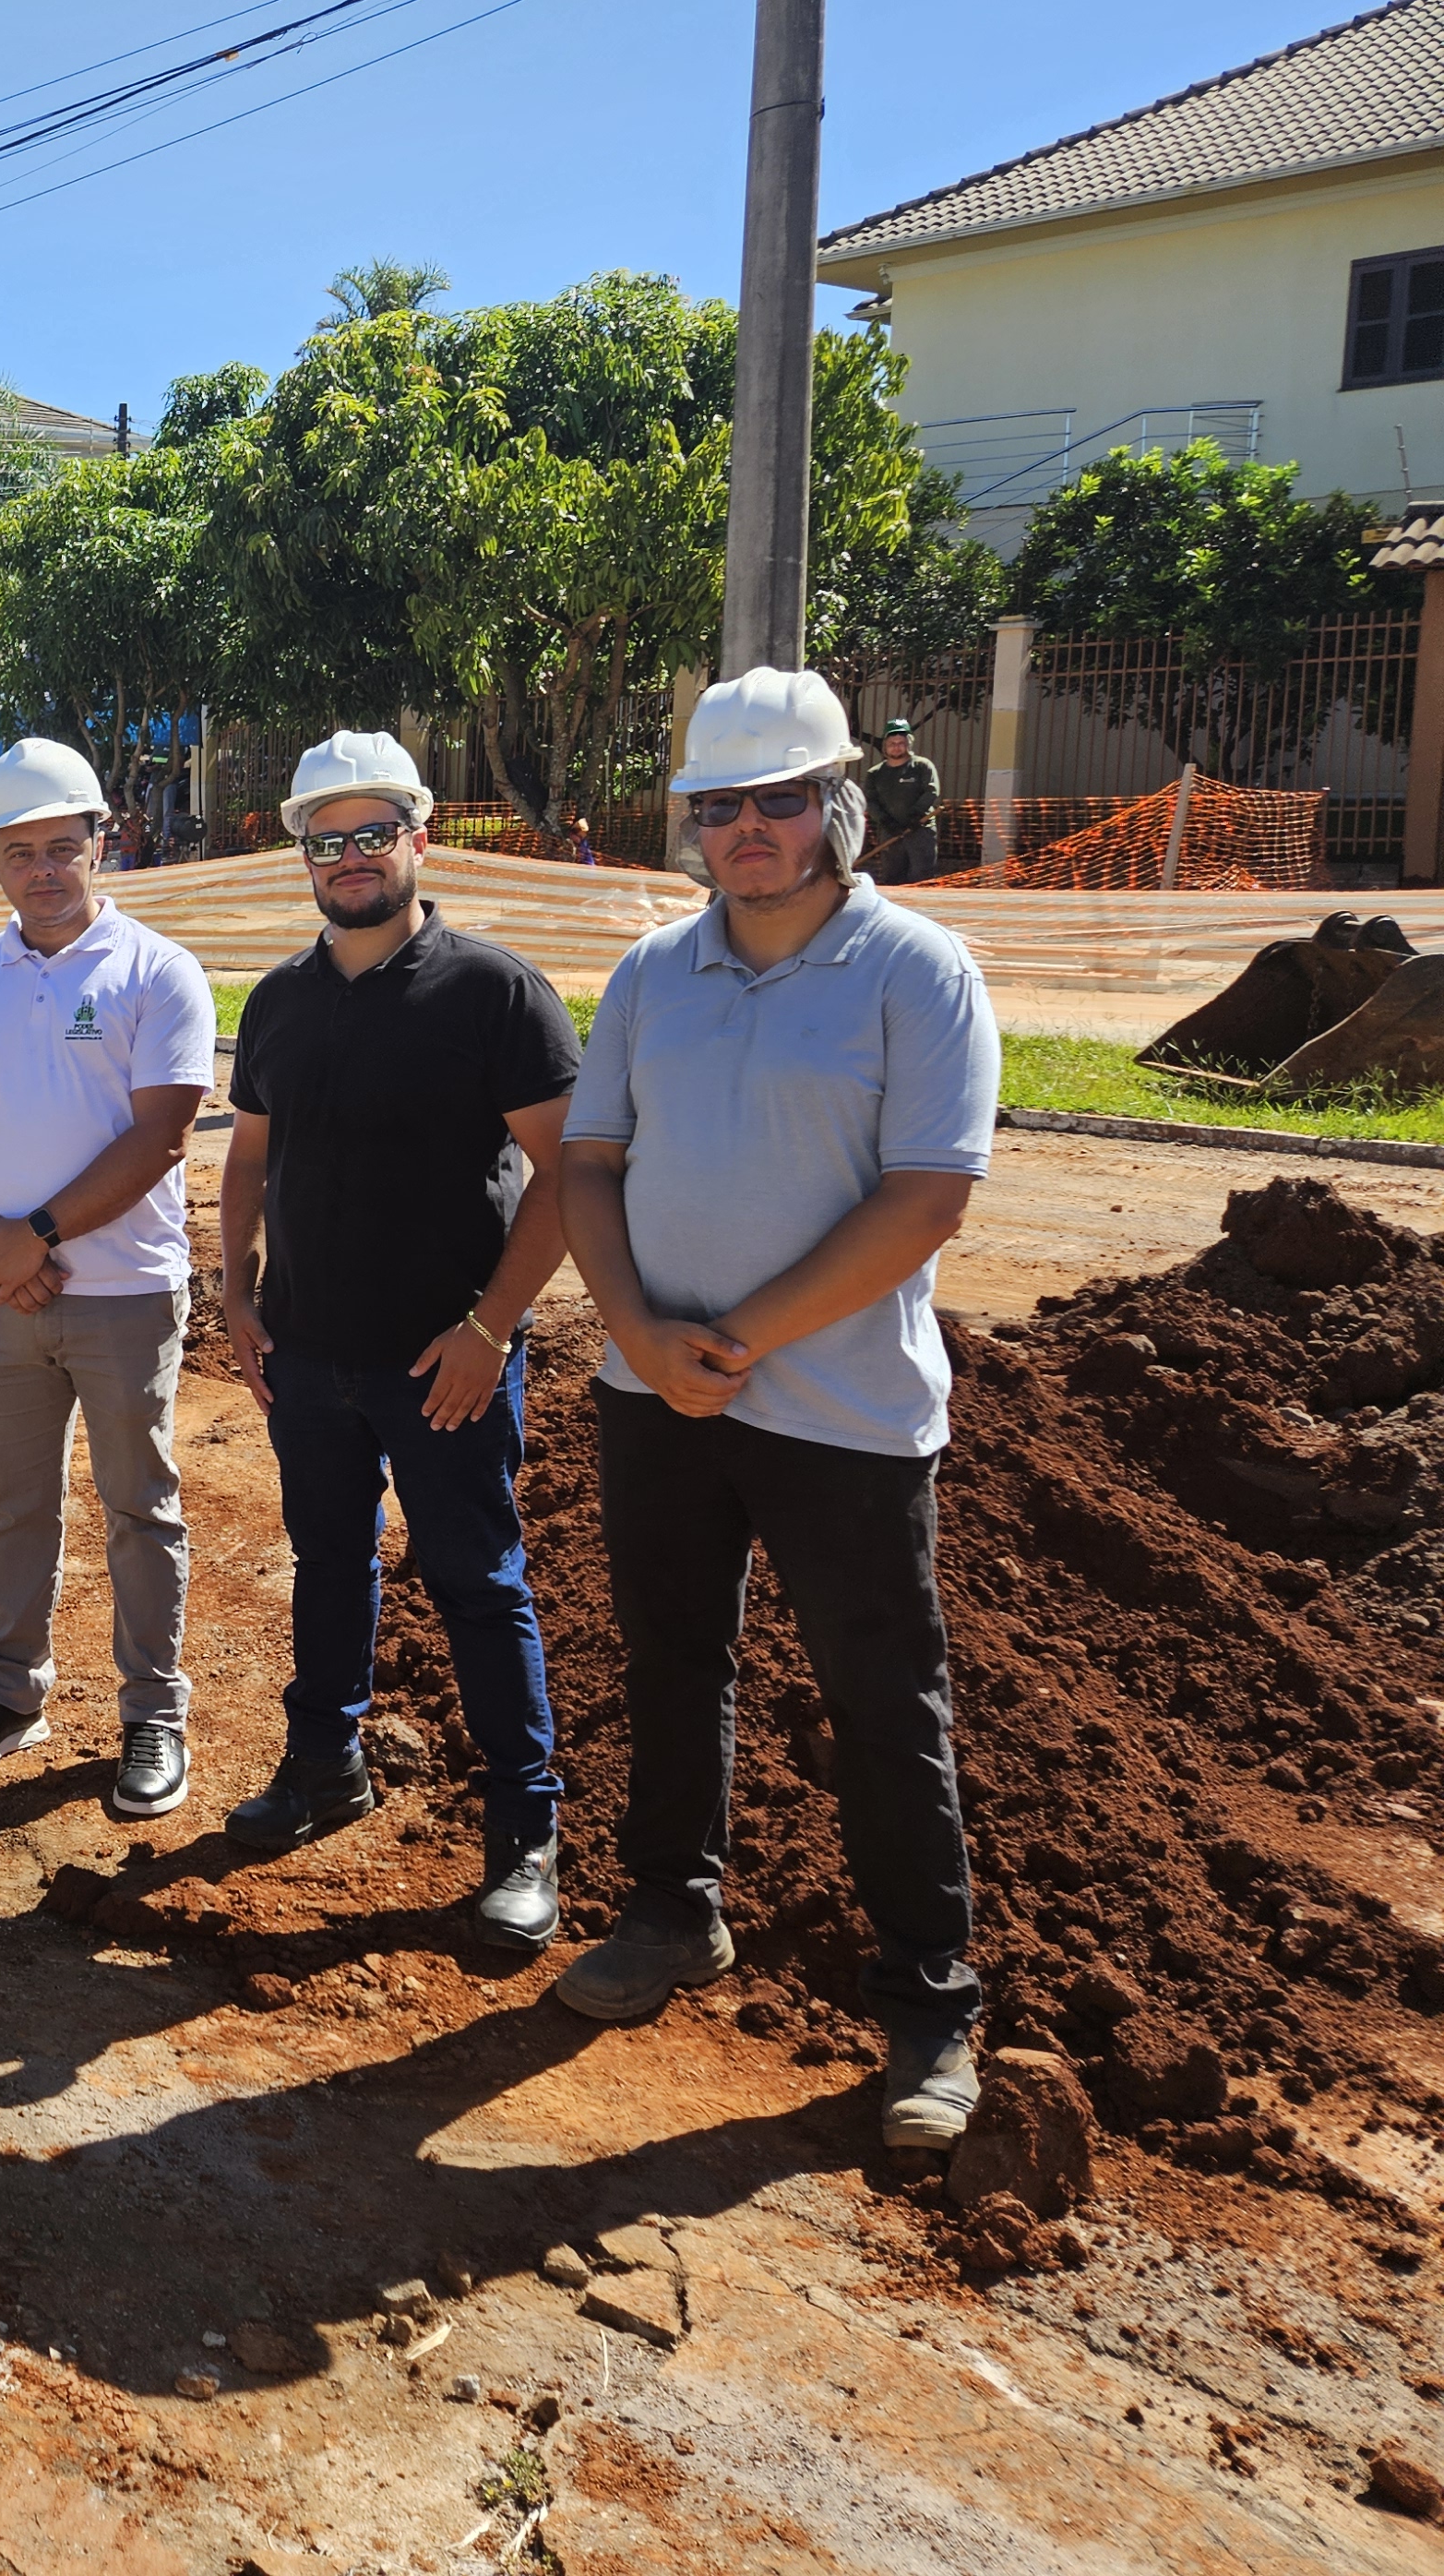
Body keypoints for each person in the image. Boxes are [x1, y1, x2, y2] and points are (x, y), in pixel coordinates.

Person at [549, 667, 1001, 2155]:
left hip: (846, 1417)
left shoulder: (916, 971)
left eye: (782, 800)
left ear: (837, 809)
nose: (752, 828)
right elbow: (589, 1167)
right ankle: (674, 1913)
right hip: (656, 1398)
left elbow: (928, 1197)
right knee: (673, 1664)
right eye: (721, 805)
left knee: (886, 1706)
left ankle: (930, 2006)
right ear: (689, 823)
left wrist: (729, 1339)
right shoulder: (650, 978)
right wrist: (637, 1335)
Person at [213, 731, 585, 1949]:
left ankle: (525, 1830)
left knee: (480, 1587)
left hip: (446, 1367)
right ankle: (326, 1764)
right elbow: (250, 1157)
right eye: (328, 839)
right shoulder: (278, 1001)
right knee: (328, 1564)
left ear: (420, 837)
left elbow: (568, 1173)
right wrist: (237, 1288)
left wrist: (492, 1328)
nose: (352, 857)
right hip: (310, 1359)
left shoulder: (494, 994)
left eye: (375, 833)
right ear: (302, 855)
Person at [0, 737, 221, 1815]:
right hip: (4, 1298)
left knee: (141, 1508)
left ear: (101, 843)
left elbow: (162, 1138)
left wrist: (29, 1235)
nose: (43, 870)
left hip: (124, 1293)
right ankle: (8, 1694)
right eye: (19, 851)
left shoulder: (157, 972)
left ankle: (153, 1715)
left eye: (63, 847)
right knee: (16, 1503)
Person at [861, 722, 941, 887]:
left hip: (920, 830)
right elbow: (870, 801)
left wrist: (916, 814)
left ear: (908, 744)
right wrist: (885, 821)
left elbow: (932, 792)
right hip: (890, 833)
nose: (896, 747)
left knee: (922, 877)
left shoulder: (922, 766)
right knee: (892, 877)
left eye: (901, 743)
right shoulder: (875, 773)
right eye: (892, 744)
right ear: (885, 746)